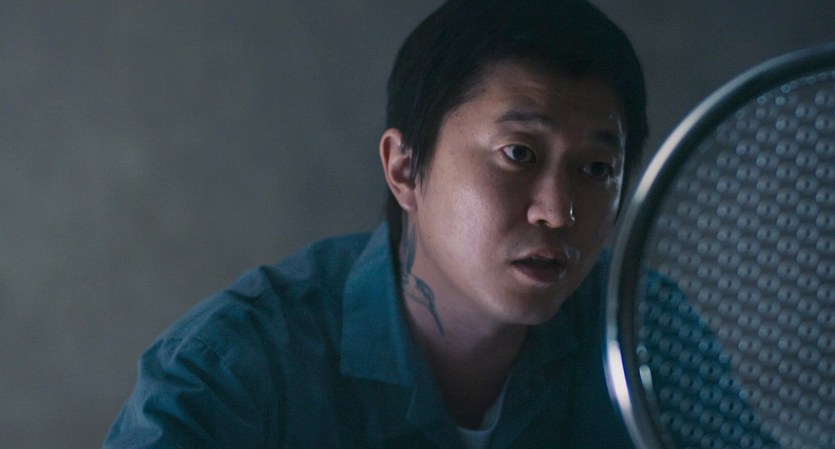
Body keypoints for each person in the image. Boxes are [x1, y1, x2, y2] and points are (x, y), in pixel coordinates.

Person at [103, 0, 648, 447]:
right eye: (518, 154)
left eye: (596, 169)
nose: (556, 211)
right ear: (404, 169)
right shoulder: (237, 366)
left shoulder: (647, 336)